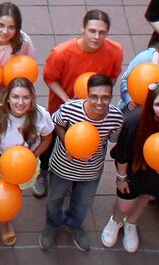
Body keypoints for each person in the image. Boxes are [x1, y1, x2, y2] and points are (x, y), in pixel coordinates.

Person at [101, 82, 159, 252]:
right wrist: (121, 178)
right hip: (134, 170)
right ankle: (115, 221)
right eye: (158, 104)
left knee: (146, 198)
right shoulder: (135, 121)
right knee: (124, 204)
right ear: (151, 106)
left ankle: (131, 224)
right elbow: (122, 152)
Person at [41, 74, 122, 252]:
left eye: (105, 97)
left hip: (91, 171)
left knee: (84, 202)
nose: (99, 102)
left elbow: (113, 137)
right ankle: (52, 225)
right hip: (63, 166)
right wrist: (68, 144)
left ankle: (74, 224)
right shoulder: (70, 109)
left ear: (111, 96)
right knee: (55, 198)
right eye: (94, 96)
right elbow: (57, 124)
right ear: (87, 94)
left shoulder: (116, 117)